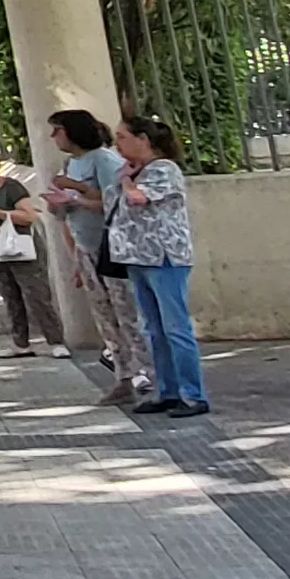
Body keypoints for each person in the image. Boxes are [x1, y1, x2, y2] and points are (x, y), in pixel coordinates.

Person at [43, 110, 149, 407]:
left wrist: (75, 195)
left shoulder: (102, 160)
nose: (53, 137)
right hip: (87, 247)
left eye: (57, 130)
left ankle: (145, 372)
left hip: (111, 246)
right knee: (104, 315)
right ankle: (123, 375)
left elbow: (113, 202)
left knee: (126, 312)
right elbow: (65, 213)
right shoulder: (70, 164)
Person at [106, 115, 206, 416]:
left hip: (163, 257)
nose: (117, 143)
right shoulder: (132, 171)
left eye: (122, 137)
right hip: (136, 256)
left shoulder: (163, 169)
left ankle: (193, 394)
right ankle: (167, 390)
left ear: (143, 140)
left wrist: (126, 180)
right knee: (153, 328)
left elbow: (137, 198)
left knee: (175, 327)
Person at [0, 144, 67, 357]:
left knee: (37, 295)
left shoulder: (12, 187)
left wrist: (0, 213)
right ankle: (20, 342)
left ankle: (56, 341)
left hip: (24, 248)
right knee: (11, 297)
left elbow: (29, 216)